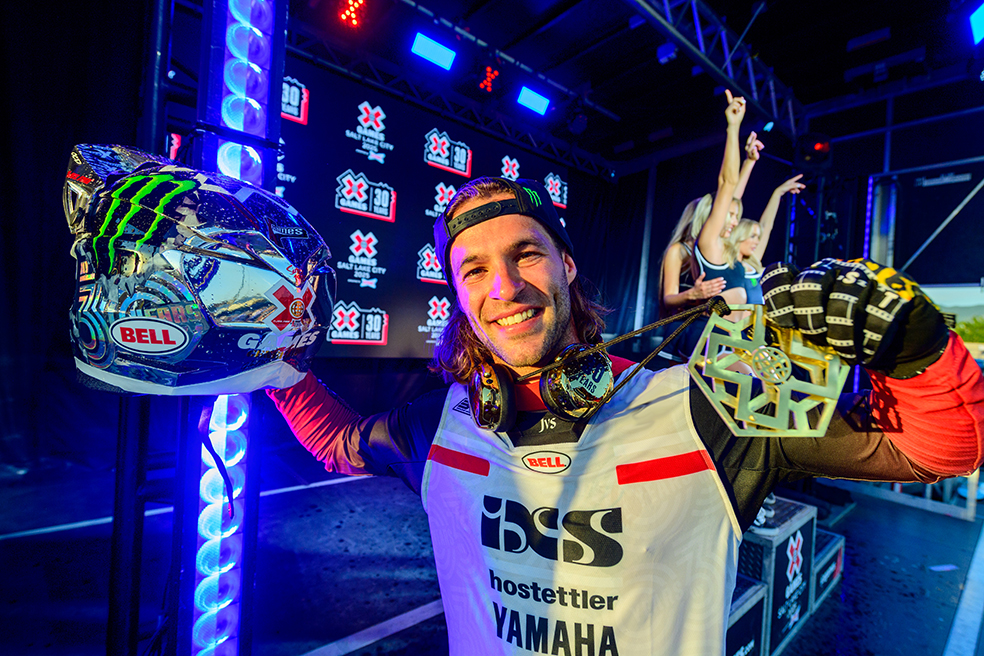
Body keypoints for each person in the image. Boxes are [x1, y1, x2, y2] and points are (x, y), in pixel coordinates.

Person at [266, 97, 984, 656]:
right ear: (457, 295)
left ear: (568, 265)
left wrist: (912, 345)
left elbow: (942, 450)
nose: (505, 288)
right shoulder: (439, 422)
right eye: (474, 270)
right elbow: (338, 443)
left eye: (526, 254)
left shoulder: (704, 409)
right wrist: (267, 358)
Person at [656, 101, 764, 358]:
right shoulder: (686, 249)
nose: (733, 220)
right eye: (726, 214)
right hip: (690, 329)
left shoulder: (720, 246)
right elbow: (668, 299)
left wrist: (749, 162)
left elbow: (733, 196)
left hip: (724, 332)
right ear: (706, 216)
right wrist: (693, 294)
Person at [725, 174, 806, 304]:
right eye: (752, 236)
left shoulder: (752, 262)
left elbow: (766, 226)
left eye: (758, 237)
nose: (757, 241)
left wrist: (778, 193)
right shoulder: (725, 264)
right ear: (739, 235)